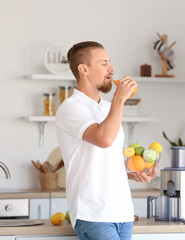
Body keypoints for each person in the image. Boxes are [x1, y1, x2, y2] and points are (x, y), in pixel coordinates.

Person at [55, 41, 157, 240]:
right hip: (94, 214)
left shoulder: (107, 108)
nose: (111, 68)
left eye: (110, 62)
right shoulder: (71, 108)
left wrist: (132, 172)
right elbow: (104, 139)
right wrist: (120, 100)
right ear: (83, 69)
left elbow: (105, 157)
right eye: (103, 63)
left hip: (122, 213)